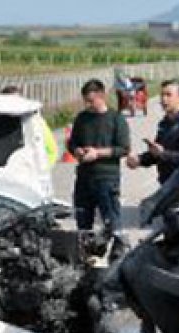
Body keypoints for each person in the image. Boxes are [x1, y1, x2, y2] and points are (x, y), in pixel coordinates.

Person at [67, 79, 129, 235]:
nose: (88, 105)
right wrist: (77, 151)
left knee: (111, 222)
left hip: (106, 178)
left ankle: (118, 250)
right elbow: (72, 142)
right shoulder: (82, 118)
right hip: (84, 178)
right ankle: (85, 254)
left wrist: (97, 153)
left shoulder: (116, 119)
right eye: (86, 101)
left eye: (91, 101)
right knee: (83, 222)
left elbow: (123, 149)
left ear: (102, 96)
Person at [126, 79, 179, 185]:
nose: (163, 99)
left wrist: (164, 154)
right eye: (162, 95)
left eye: (168, 95)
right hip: (167, 184)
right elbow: (156, 154)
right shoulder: (165, 123)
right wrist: (139, 160)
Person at [0, 84, 60, 169]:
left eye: (17, 101)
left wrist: (42, 169)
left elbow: (52, 150)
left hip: (29, 175)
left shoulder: (35, 122)